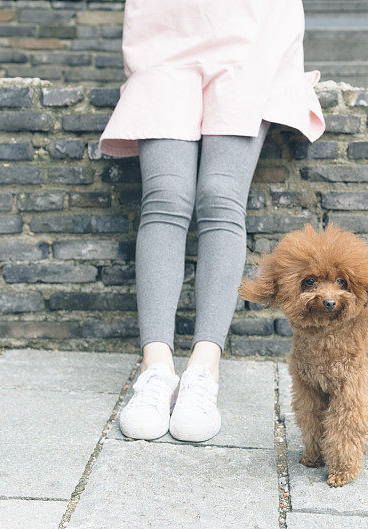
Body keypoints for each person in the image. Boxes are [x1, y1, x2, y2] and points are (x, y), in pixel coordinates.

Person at [98, 0, 325, 442]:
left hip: (252, 30)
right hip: (165, 25)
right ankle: (156, 369)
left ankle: (204, 371)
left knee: (221, 198)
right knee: (165, 197)